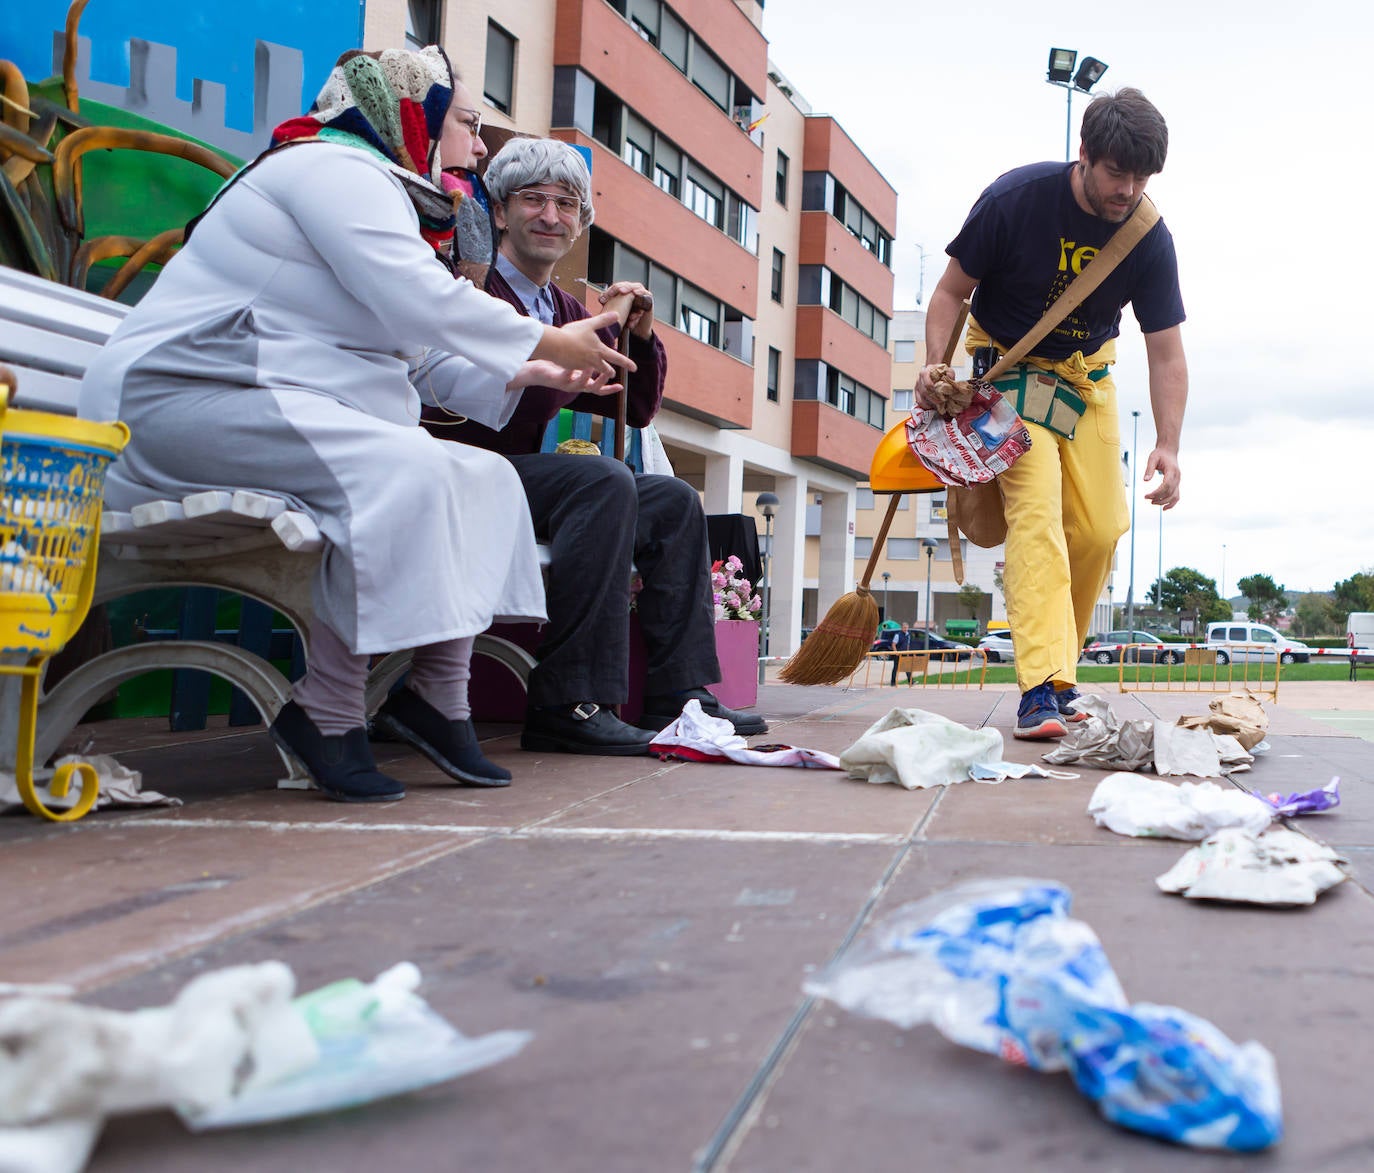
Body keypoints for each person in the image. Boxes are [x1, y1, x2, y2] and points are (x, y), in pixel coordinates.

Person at [79, 47, 633, 801]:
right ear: (413, 116)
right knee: (401, 469)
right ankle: (328, 711)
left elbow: (418, 355)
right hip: (186, 399)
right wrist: (542, 338)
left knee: (485, 472)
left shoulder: (379, 193)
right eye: (467, 124)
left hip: (263, 400)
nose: (477, 147)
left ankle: (439, 699)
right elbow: (416, 299)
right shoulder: (329, 171)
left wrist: (529, 370)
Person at [424, 136, 768, 755]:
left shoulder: (563, 307)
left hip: (520, 484)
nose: (550, 217)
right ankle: (569, 703)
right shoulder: (467, 286)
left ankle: (680, 697)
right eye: (533, 200)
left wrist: (637, 334)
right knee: (601, 479)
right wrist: (572, 346)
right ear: (499, 211)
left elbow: (633, 408)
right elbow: (466, 401)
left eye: (566, 204)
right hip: (456, 472)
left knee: (671, 499)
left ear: (581, 224)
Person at [917, 88, 1187, 740]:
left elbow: (1166, 351)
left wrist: (1169, 444)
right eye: (1116, 173)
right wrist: (933, 363)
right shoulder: (1016, 200)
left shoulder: (1147, 236)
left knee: (1099, 531)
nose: (1128, 189)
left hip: (1087, 382)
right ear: (1084, 155)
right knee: (1036, 515)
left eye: (1141, 177)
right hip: (1009, 377)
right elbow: (951, 292)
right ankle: (1042, 687)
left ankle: (1060, 676)